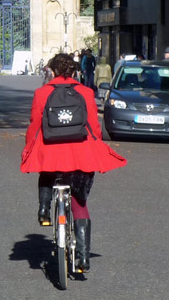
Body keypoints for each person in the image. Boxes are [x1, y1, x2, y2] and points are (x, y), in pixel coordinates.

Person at [21, 53, 127, 272]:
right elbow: (93, 127)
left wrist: (29, 146)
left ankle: (43, 209)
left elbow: (34, 124)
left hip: (51, 149)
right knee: (79, 201)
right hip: (80, 151)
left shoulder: (42, 93)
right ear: (74, 72)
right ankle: (83, 258)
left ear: (53, 71)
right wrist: (96, 144)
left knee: (47, 169)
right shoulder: (86, 92)